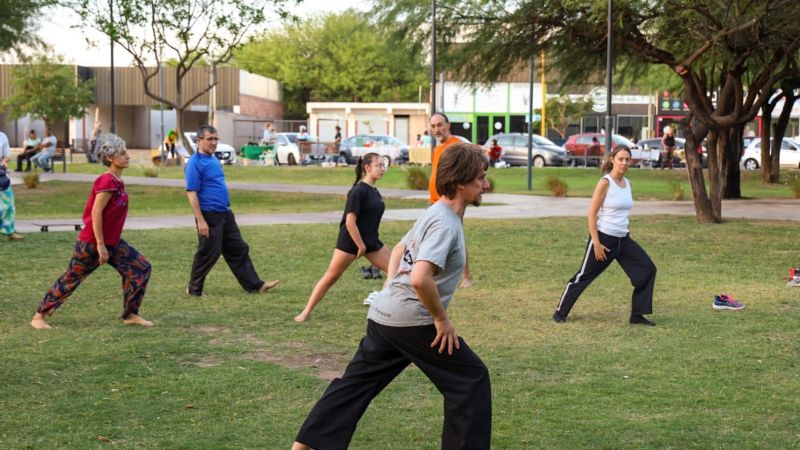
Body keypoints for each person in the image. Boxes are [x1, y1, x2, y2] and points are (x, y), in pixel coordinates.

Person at [291, 144, 492, 450]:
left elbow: (398, 249)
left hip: (384, 316)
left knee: (354, 386)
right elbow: (421, 277)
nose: (486, 185)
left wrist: (389, 291)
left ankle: (303, 447)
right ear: (461, 182)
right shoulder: (445, 223)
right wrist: (442, 319)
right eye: (481, 178)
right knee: (471, 380)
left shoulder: (435, 211)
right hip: (412, 322)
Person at [29, 133, 153, 329]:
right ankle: (39, 316)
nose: (127, 156)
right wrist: (101, 245)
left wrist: (107, 244)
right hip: (92, 243)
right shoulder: (106, 181)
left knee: (141, 268)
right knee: (72, 277)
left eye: (126, 152)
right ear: (110, 158)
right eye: (122, 153)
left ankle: (130, 314)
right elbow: (96, 212)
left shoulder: (117, 181)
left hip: (112, 242)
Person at [553, 145, 657, 326]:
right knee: (583, 276)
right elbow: (592, 214)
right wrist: (597, 243)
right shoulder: (605, 183)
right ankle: (560, 312)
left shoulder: (627, 183)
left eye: (627, 159)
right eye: (621, 159)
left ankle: (637, 315)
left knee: (648, 269)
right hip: (603, 239)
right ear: (612, 160)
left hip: (623, 240)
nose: (624, 163)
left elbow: (623, 213)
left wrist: (626, 233)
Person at [185, 124, 279, 297]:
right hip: (209, 215)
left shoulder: (212, 159)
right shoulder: (194, 163)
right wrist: (200, 220)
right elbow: (192, 193)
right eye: (209, 139)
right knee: (209, 253)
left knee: (238, 249)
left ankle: (256, 286)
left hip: (225, 213)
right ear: (198, 141)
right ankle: (194, 289)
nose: (213, 143)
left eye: (215, 139)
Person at [294, 152, 389, 322]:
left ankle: (382, 308)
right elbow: (350, 222)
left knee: (395, 271)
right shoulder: (358, 191)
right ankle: (306, 312)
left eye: (384, 165)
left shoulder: (375, 191)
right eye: (379, 165)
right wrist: (360, 246)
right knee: (331, 276)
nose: (383, 169)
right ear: (367, 168)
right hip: (352, 241)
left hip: (371, 242)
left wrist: (367, 244)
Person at [429, 113, 474, 288]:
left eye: (440, 125)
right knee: (435, 238)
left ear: (448, 125)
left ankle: (467, 276)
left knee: (456, 238)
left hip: (450, 202)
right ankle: (433, 273)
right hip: (434, 201)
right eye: (433, 126)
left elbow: (468, 171)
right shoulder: (437, 149)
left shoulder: (457, 146)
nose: (436, 129)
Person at [0, 131, 23, 241]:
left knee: (8, 203)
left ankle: (9, 231)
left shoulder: (2, 136)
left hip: (0, 175)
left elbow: (7, 155)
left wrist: (3, 162)